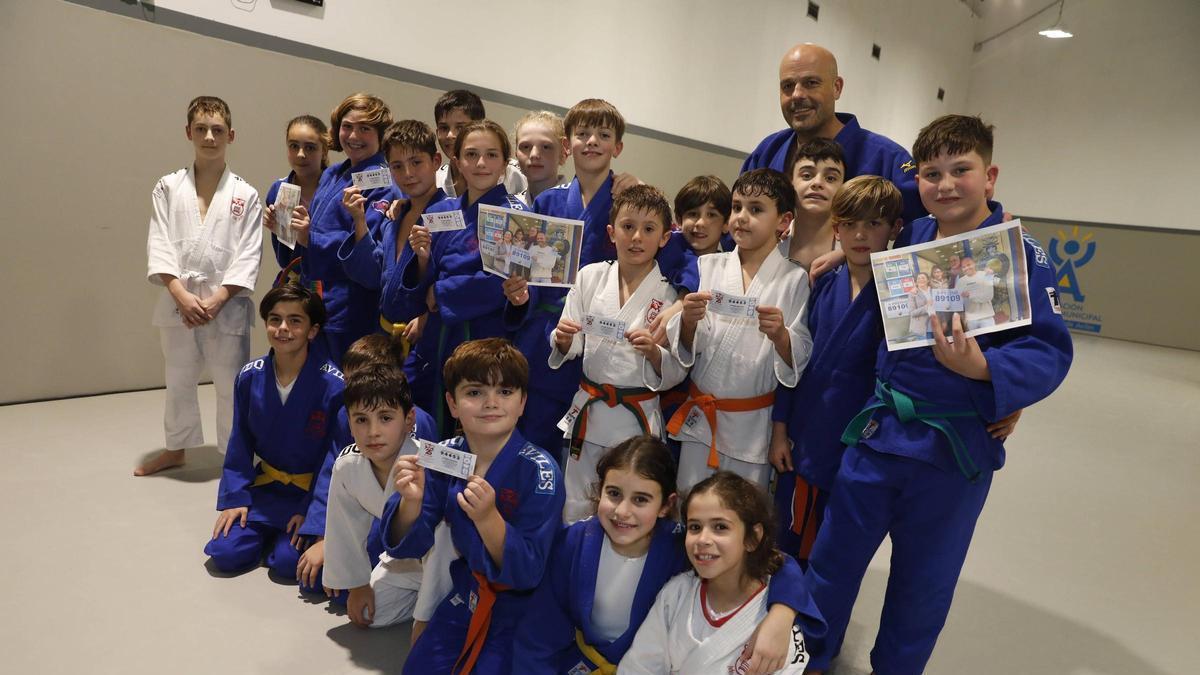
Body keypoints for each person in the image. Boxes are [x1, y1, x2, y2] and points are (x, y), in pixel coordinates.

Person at [803, 115, 1073, 675]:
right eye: (932, 173)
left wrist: (987, 371)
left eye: (961, 170)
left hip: (953, 451)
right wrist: (846, 255)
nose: (946, 184)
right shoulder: (911, 238)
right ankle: (806, 660)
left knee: (922, 585)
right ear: (917, 180)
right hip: (878, 435)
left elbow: (1049, 350)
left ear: (990, 176)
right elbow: (865, 235)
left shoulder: (1021, 254)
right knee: (831, 562)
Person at [514, 438, 822, 675]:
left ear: (666, 505)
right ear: (599, 491)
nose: (623, 511)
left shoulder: (684, 547)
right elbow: (540, 634)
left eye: (641, 499)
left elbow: (778, 564)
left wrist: (781, 615)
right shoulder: (573, 544)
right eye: (614, 494)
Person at [380, 338, 564, 674]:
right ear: (452, 403)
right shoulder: (444, 456)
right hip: (469, 591)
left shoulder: (541, 470)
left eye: (505, 392)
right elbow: (413, 543)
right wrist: (411, 500)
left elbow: (529, 571)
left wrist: (488, 519)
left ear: (523, 402)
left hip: (525, 607)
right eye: (475, 392)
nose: (491, 403)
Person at [530, 185, 687, 523]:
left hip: (636, 418)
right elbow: (569, 342)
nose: (636, 238)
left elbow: (678, 369)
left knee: (627, 509)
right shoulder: (590, 277)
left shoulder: (670, 296)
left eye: (648, 229)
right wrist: (561, 339)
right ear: (612, 232)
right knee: (575, 503)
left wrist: (655, 355)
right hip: (589, 410)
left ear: (664, 237)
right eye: (628, 227)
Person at [767, 176, 902, 565]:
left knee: (832, 557)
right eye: (849, 224)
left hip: (856, 445)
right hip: (801, 438)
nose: (860, 235)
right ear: (836, 227)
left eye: (874, 224)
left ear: (894, 228)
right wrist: (780, 428)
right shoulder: (822, 283)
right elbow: (793, 360)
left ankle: (816, 626)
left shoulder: (900, 295)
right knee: (783, 546)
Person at [667, 169, 813, 494]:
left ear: (783, 221)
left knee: (742, 519)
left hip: (753, 426)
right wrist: (688, 322)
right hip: (702, 421)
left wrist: (781, 337)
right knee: (689, 507)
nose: (742, 218)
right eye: (736, 207)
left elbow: (800, 352)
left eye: (756, 209)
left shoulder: (793, 279)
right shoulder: (710, 267)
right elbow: (690, 348)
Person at [140, 95, 263, 476]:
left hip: (227, 304)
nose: (209, 137)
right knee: (177, 379)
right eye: (201, 129)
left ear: (231, 135)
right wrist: (179, 292)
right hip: (179, 300)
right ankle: (176, 447)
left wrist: (220, 298)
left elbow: (249, 253)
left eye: (218, 130)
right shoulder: (167, 187)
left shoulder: (246, 194)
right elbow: (159, 241)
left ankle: (235, 457)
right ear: (188, 132)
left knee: (230, 385)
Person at [391, 120, 528, 437]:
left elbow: (504, 280)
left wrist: (443, 292)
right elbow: (421, 285)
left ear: (505, 162)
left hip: (482, 335)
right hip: (436, 337)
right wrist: (423, 260)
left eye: (491, 155)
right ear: (457, 160)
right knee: (424, 421)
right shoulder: (444, 211)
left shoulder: (517, 216)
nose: (481, 163)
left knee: (473, 427)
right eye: (471, 154)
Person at [204, 284, 345, 581]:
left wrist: (316, 515)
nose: (283, 328)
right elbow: (239, 441)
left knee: (287, 566)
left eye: (295, 321)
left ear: (312, 331)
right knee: (224, 554)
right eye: (275, 319)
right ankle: (265, 532)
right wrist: (235, 498)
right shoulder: (249, 376)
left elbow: (335, 458)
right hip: (266, 488)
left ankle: (277, 539)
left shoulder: (334, 386)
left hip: (309, 494)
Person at [621, 471, 822, 674]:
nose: (703, 539)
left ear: (752, 538)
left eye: (720, 527)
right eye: (695, 527)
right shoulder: (677, 594)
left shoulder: (777, 626)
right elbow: (639, 667)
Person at [742, 43, 924, 225]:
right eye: (788, 86)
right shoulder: (767, 152)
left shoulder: (888, 159)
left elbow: (919, 235)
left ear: (836, 88)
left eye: (811, 83)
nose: (797, 95)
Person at [287, 93, 395, 362]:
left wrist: (310, 237)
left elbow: (367, 251)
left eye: (365, 128)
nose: (354, 135)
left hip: (353, 307)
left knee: (348, 383)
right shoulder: (333, 174)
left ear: (381, 135)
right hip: (317, 302)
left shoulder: (384, 183)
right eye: (347, 126)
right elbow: (307, 238)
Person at [322, 363, 431, 628]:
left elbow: (449, 543)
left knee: (439, 619)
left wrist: (424, 618)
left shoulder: (429, 461)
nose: (373, 432)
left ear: (409, 420)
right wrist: (358, 584)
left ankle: (439, 605)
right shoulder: (348, 465)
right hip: (404, 563)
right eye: (361, 419)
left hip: (446, 562)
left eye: (385, 418)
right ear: (348, 423)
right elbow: (344, 528)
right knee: (369, 616)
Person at [342, 119, 448, 383]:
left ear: (436, 161)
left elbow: (453, 274)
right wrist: (359, 220)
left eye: (416, 162)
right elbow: (373, 274)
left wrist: (427, 316)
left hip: (426, 342)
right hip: (385, 339)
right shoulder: (396, 216)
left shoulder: (449, 214)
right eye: (397, 166)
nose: (408, 174)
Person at [263, 115, 330, 284]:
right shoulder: (279, 190)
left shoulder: (336, 190)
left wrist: (308, 235)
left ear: (324, 151)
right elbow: (284, 259)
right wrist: (276, 229)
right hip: (293, 284)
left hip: (330, 285)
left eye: (310, 148)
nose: (301, 154)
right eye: (294, 146)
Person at [432, 89, 528, 200]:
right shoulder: (437, 179)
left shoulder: (513, 173)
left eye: (460, 127)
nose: (450, 135)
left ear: (479, 127)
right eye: (444, 128)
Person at [780, 138, 845, 271]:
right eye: (807, 175)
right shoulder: (770, 244)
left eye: (830, 178)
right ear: (790, 181)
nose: (817, 183)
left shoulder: (856, 251)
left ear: (843, 188)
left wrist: (849, 254)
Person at [513, 111, 568, 204]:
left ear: (563, 154)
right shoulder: (507, 207)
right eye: (526, 147)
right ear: (516, 154)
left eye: (546, 147)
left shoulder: (578, 207)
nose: (534, 155)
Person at [674, 175, 732, 257]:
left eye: (711, 215)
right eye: (693, 214)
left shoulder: (732, 267)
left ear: (726, 223)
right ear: (679, 220)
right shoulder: (664, 262)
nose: (700, 223)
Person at [956, 256, 998, 330]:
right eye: (963, 267)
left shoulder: (986, 275)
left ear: (974, 264)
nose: (966, 268)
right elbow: (959, 301)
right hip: (971, 319)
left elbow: (988, 296)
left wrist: (970, 295)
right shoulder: (960, 281)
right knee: (975, 341)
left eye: (968, 265)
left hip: (986, 317)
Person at [908, 271, 934, 337]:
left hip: (936, 325)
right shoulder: (913, 293)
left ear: (928, 280)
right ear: (916, 281)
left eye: (923, 278)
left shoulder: (934, 290)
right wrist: (926, 307)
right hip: (922, 328)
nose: (921, 280)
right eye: (918, 278)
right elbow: (912, 313)